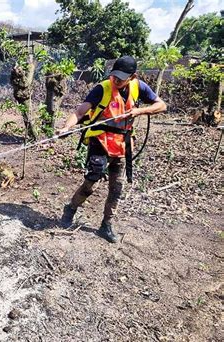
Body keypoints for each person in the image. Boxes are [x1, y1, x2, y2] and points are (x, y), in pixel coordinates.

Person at [58, 56, 166, 243]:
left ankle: (106, 225)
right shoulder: (102, 88)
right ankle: (71, 209)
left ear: (132, 77)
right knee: (92, 184)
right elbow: (79, 112)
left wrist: (139, 111)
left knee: (117, 188)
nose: (116, 80)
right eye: (114, 75)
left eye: (121, 77)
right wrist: (67, 128)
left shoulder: (138, 87)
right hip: (100, 142)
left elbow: (161, 105)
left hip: (123, 145)